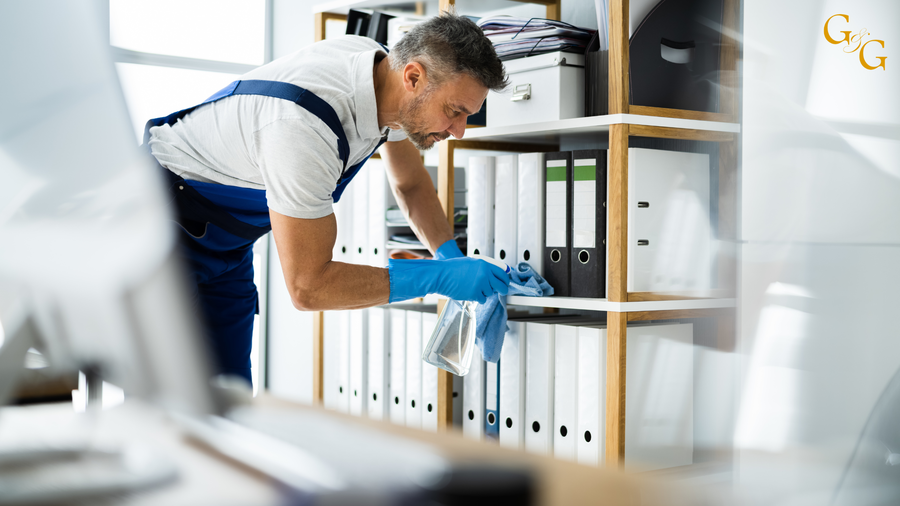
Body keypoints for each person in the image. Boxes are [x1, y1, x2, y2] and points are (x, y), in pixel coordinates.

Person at [145, 13, 511, 385]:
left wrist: (448, 252)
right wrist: (439, 277)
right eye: (455, 111)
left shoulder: (386, 80)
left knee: (229, 396)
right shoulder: (303, 127)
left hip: (227, 241)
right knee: (165, 401)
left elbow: (411, 185)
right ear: (414, 77)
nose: (460, 131)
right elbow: (308, 286)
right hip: (158, 227)